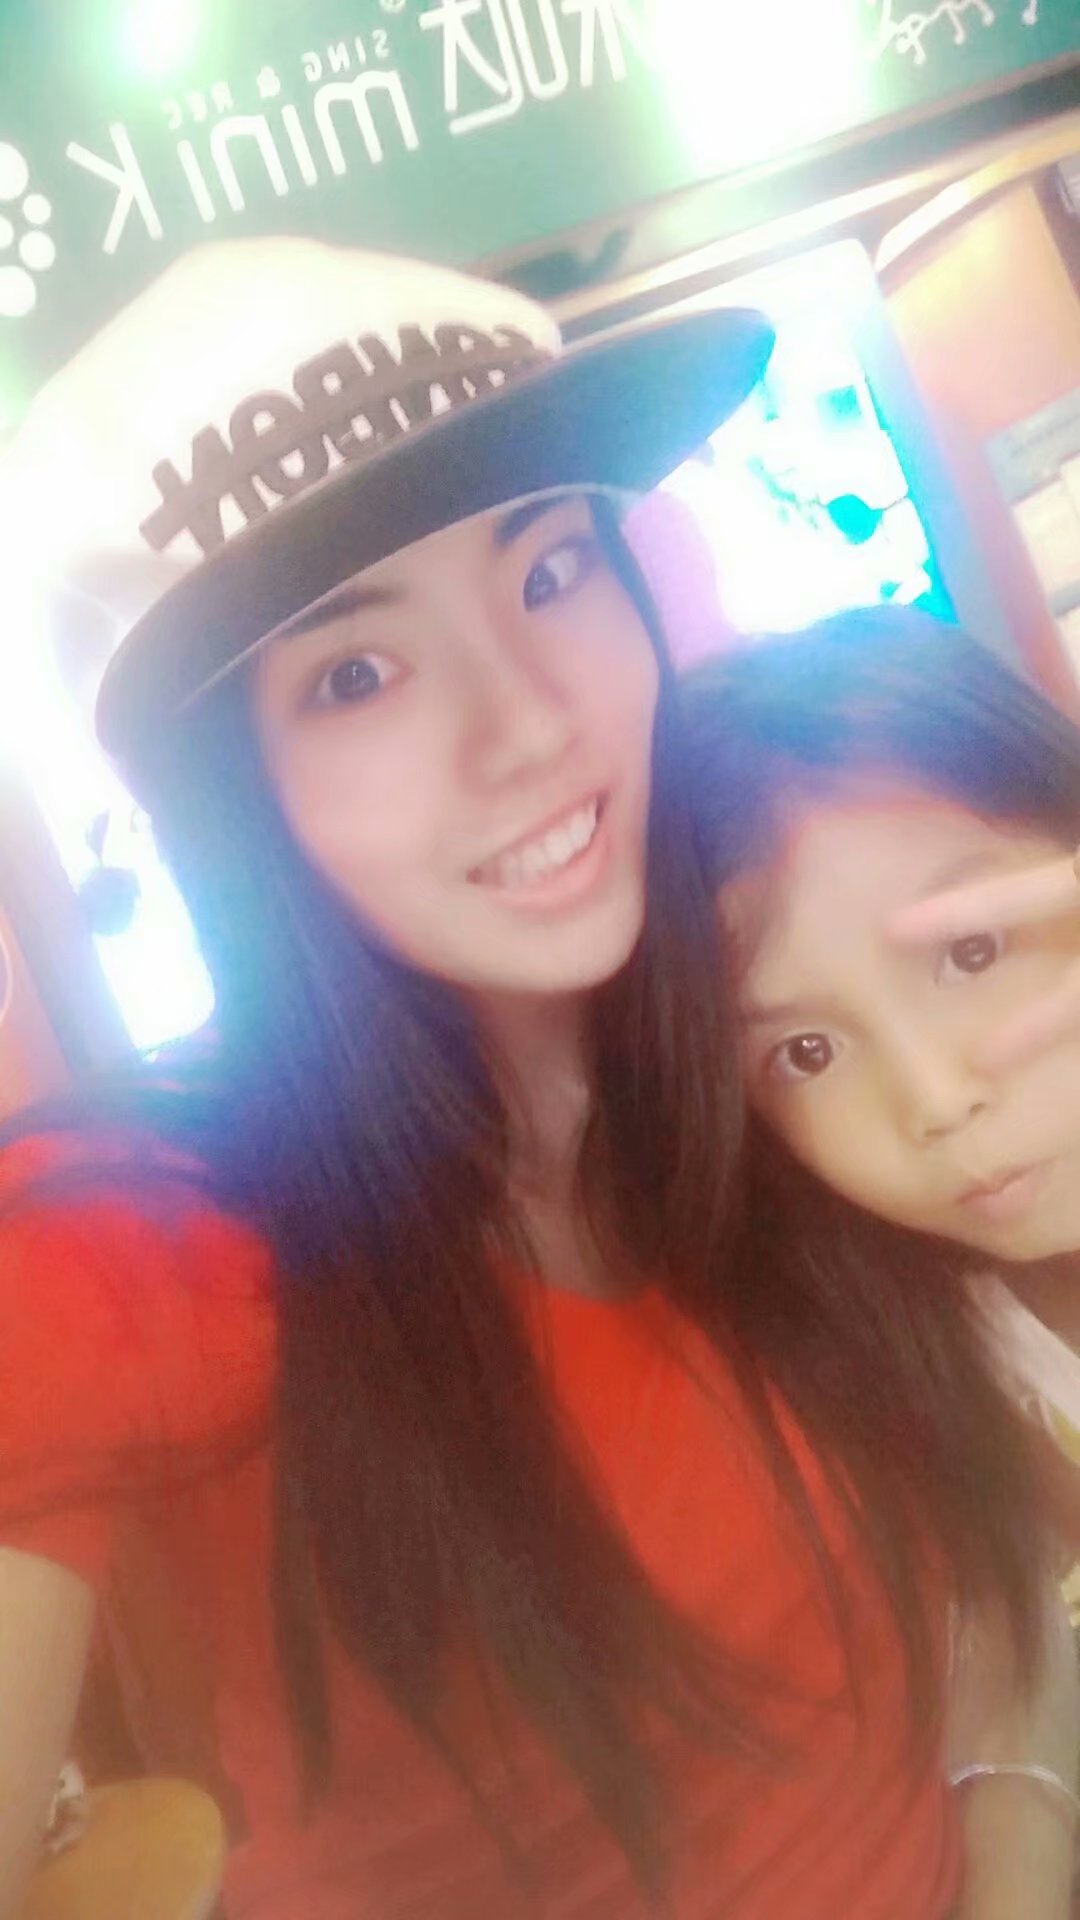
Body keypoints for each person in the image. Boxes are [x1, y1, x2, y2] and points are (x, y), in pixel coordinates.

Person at [0, 243, 1054, 1920]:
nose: (531, 725)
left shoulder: (765, 1037)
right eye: (355, 673)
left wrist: (1015, 1819)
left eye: (552, 568)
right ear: (228, 795)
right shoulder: (134, 1246)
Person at [683, 606, 1080, 1913]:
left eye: (973, 951)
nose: (934, 1098)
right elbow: (1019, 1629)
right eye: (804, 1051)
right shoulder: (938, 1337)